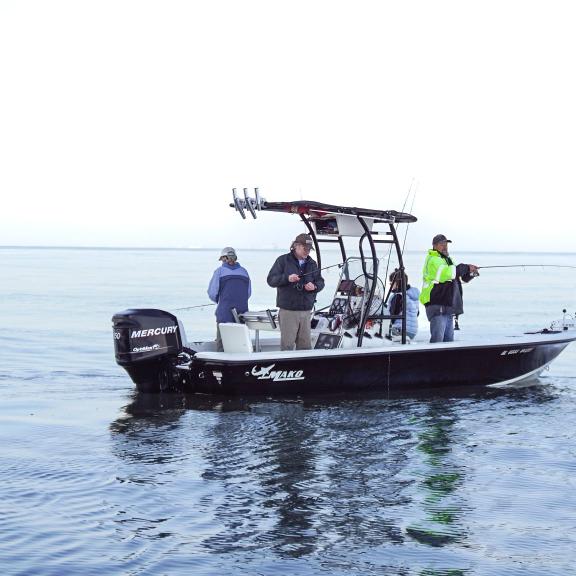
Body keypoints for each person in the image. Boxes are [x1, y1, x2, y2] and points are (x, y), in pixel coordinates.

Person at [267, 233, 325, 351]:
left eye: (309, 249)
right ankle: (287, 369)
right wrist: (287, 278)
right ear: (296, 246)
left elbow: (321, 282)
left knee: (305, 347)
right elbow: (271, 280)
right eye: (305, 248)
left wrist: (314, 286)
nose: (307, 251)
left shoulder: (312, 263)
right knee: (287, 346)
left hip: (306, 311)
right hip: (288, 311)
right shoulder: (282, 260)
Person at [420, 234, 479, 343]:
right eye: (442, 244)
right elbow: (448, 273)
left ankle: (445, 360)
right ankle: (433, 359)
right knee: (437, 340)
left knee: (448, 340)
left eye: (446, 244)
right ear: (434, 246)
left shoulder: (447, 260)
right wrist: (466, 267)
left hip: (447, 305)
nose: (445, 246)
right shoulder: (433, 259)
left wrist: (471, 273)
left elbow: (458, 278)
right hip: (437, 303)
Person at [207, 247, 251, 351]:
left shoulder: (219, 271)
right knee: (240, 342)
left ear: (225, 258)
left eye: (222, 258)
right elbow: (248, 293)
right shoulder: (244, 272)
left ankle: (222, 365)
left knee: (222, 342)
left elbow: (212, 293)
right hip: (242, 312)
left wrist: (220, 301)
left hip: (224, 311)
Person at [388, 270, 420, 340]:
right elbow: (417, 313)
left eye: (391, 283)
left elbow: (392, 316)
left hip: (400, 329)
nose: (390, 286)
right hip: (412, 331)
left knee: (383, 335)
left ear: (398, 283)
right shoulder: (412, 295)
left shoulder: (398, 296)